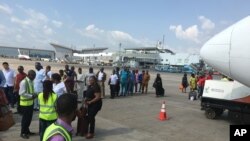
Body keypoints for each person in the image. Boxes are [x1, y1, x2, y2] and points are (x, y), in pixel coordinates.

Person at [19, 70, 37, 139]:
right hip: (25, 104)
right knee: (25, 119)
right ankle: (22, 132)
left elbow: (31, 90)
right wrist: (31, 96)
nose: (34, 77)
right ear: (29, 75)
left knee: (29, 119)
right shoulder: (24, 82)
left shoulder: (31, 81)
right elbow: (21, 93)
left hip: (30, 103)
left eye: (34, 76)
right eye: (33, 76)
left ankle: (27, 131)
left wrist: (34, 94)